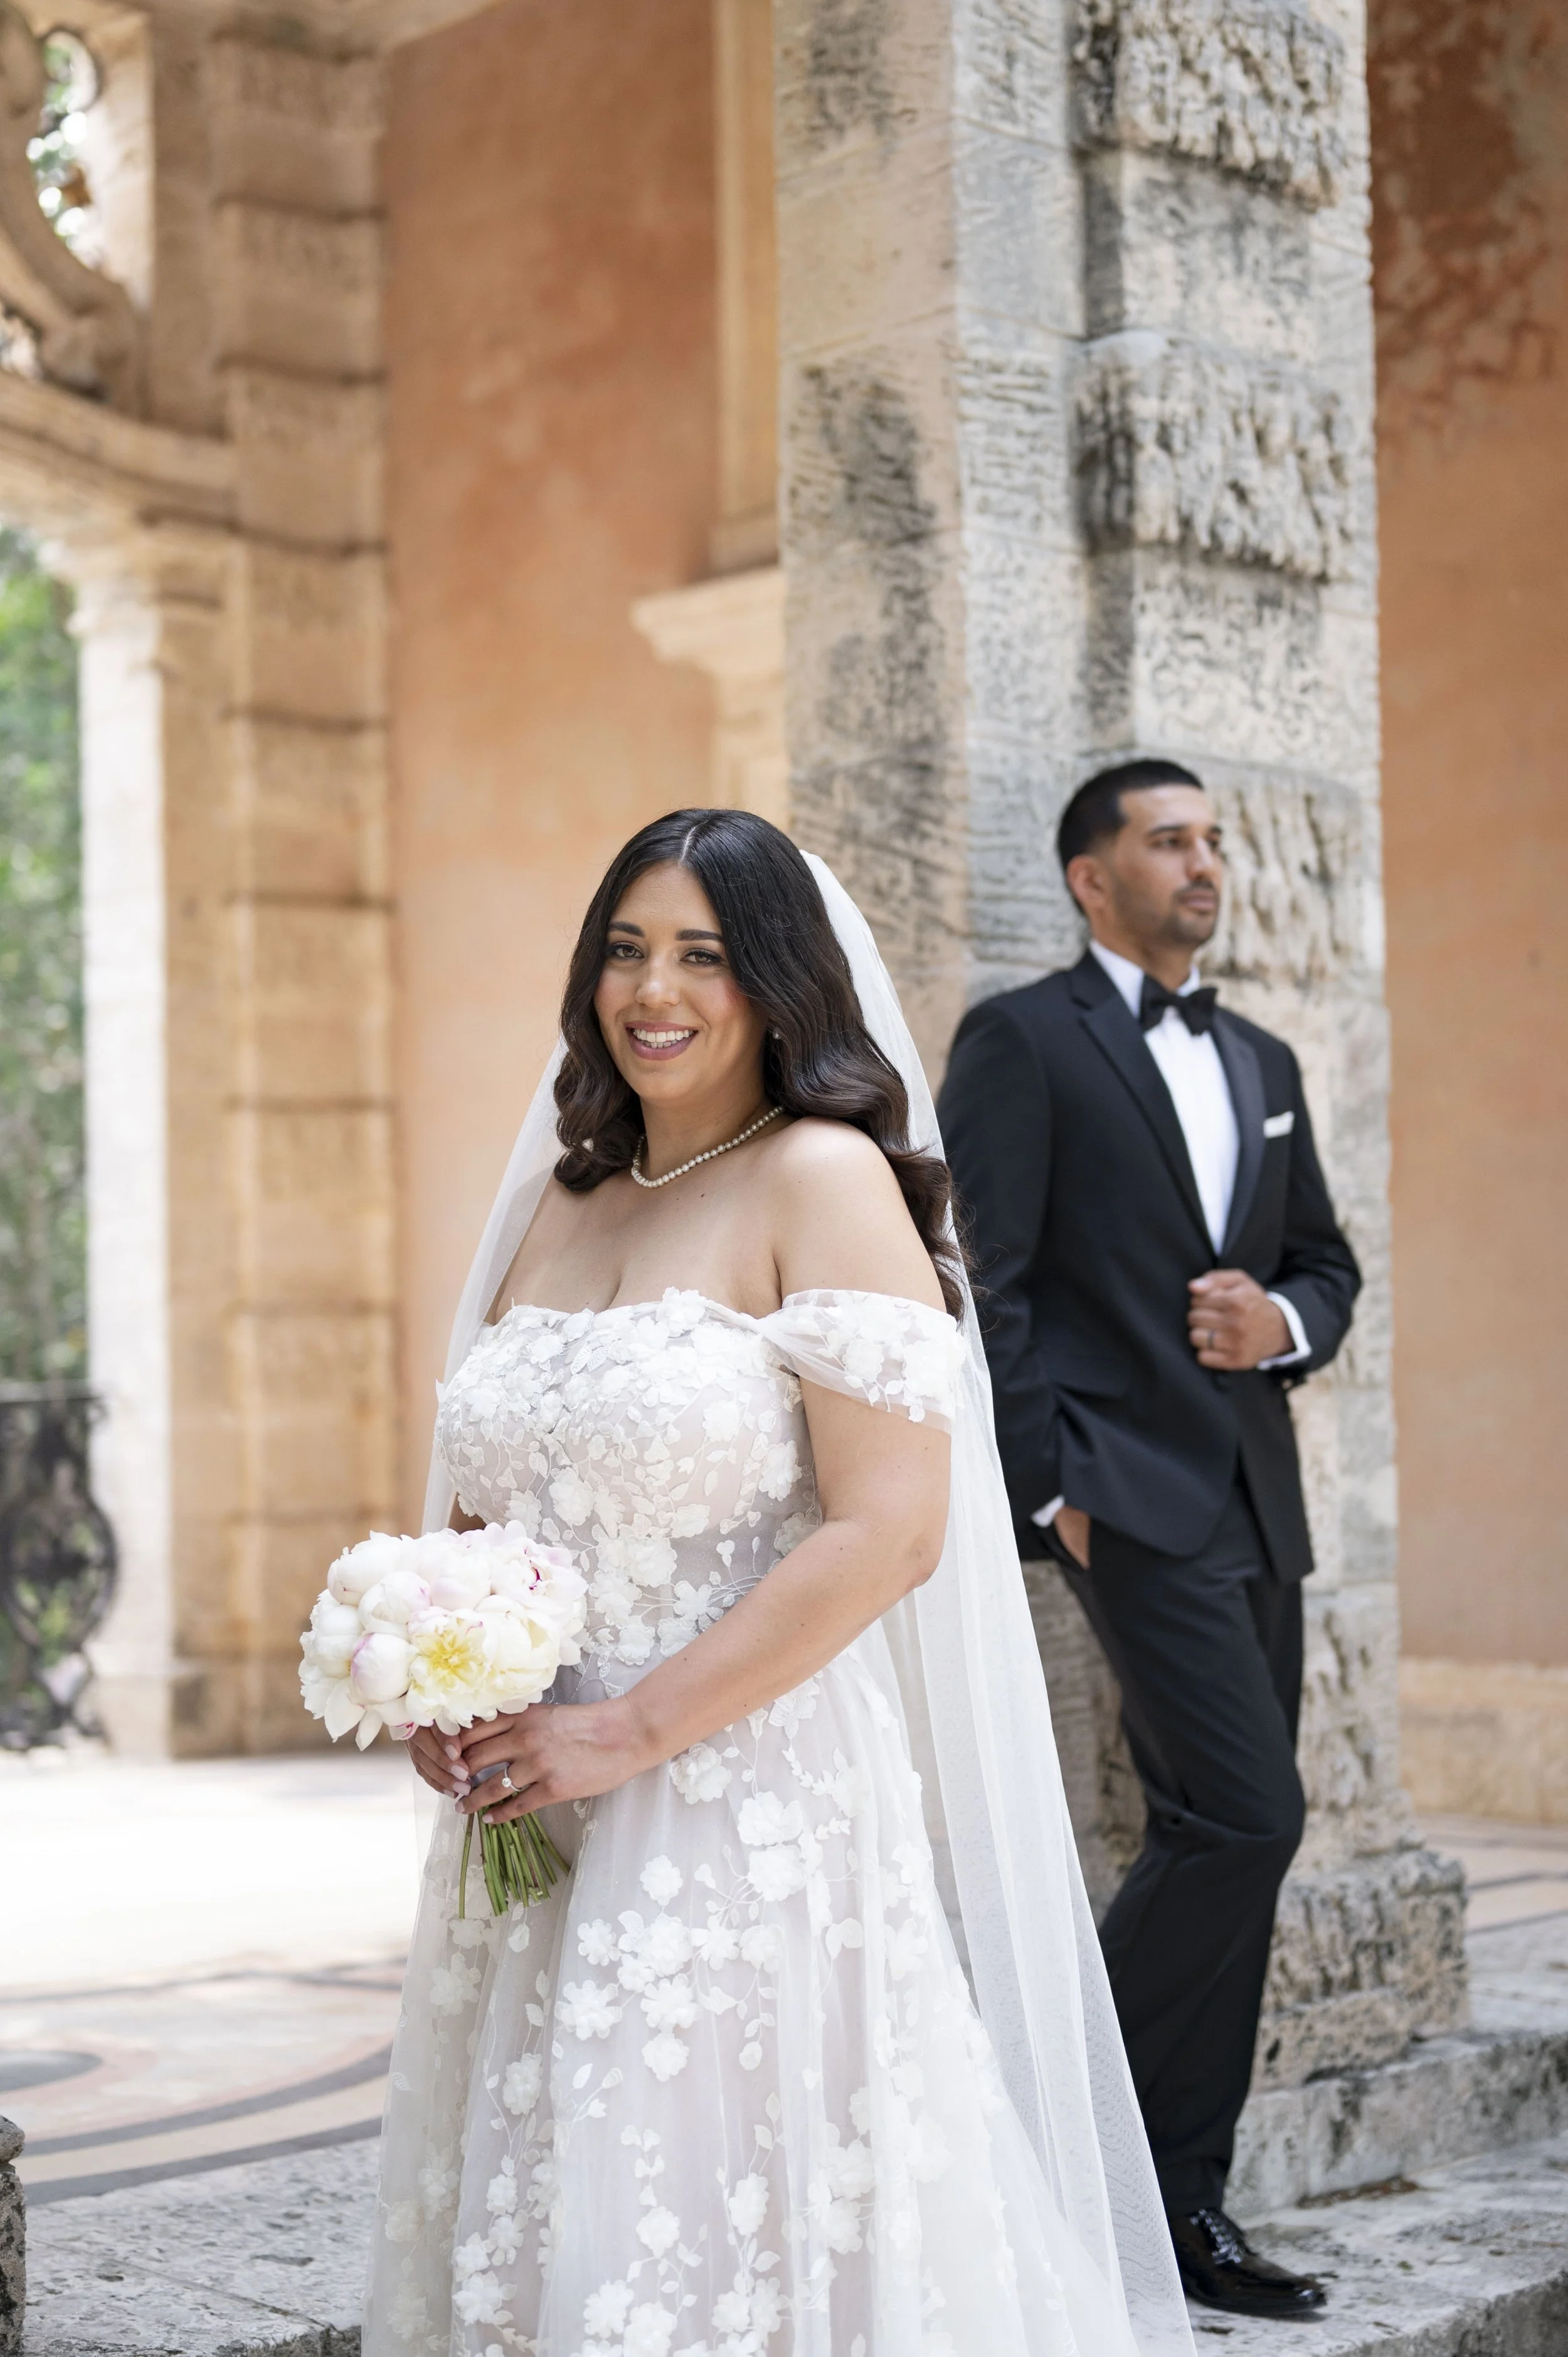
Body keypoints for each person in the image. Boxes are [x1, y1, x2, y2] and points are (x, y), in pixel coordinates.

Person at [364, 808, 1195, 2357]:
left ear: (779, 983)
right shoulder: (567, 1192)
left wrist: (628, 1731)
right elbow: (488, 1498)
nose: (651, 989)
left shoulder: (820, 1182)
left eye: (703, 953)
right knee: (556, 2206)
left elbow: (888, 1531)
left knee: (720, 2216)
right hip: (534, 1798)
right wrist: (446, 1677)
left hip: (738, 1809)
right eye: (624, 949)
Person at [937, 760, 1361, 2322]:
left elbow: (1322, 1260)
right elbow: (983, 1271)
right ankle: (1041, 2140)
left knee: (1224, 1841)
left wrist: (1282, 1323)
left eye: (1212, 840)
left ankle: (1174, 2205)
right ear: (1086, 875)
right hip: (1124, 1497)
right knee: (1245, 1817)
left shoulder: (1256, 1054)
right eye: (1168, 840)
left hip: (1256, 1496)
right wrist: (1048, 1490)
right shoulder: (1022, 1041)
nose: (1204, 863)